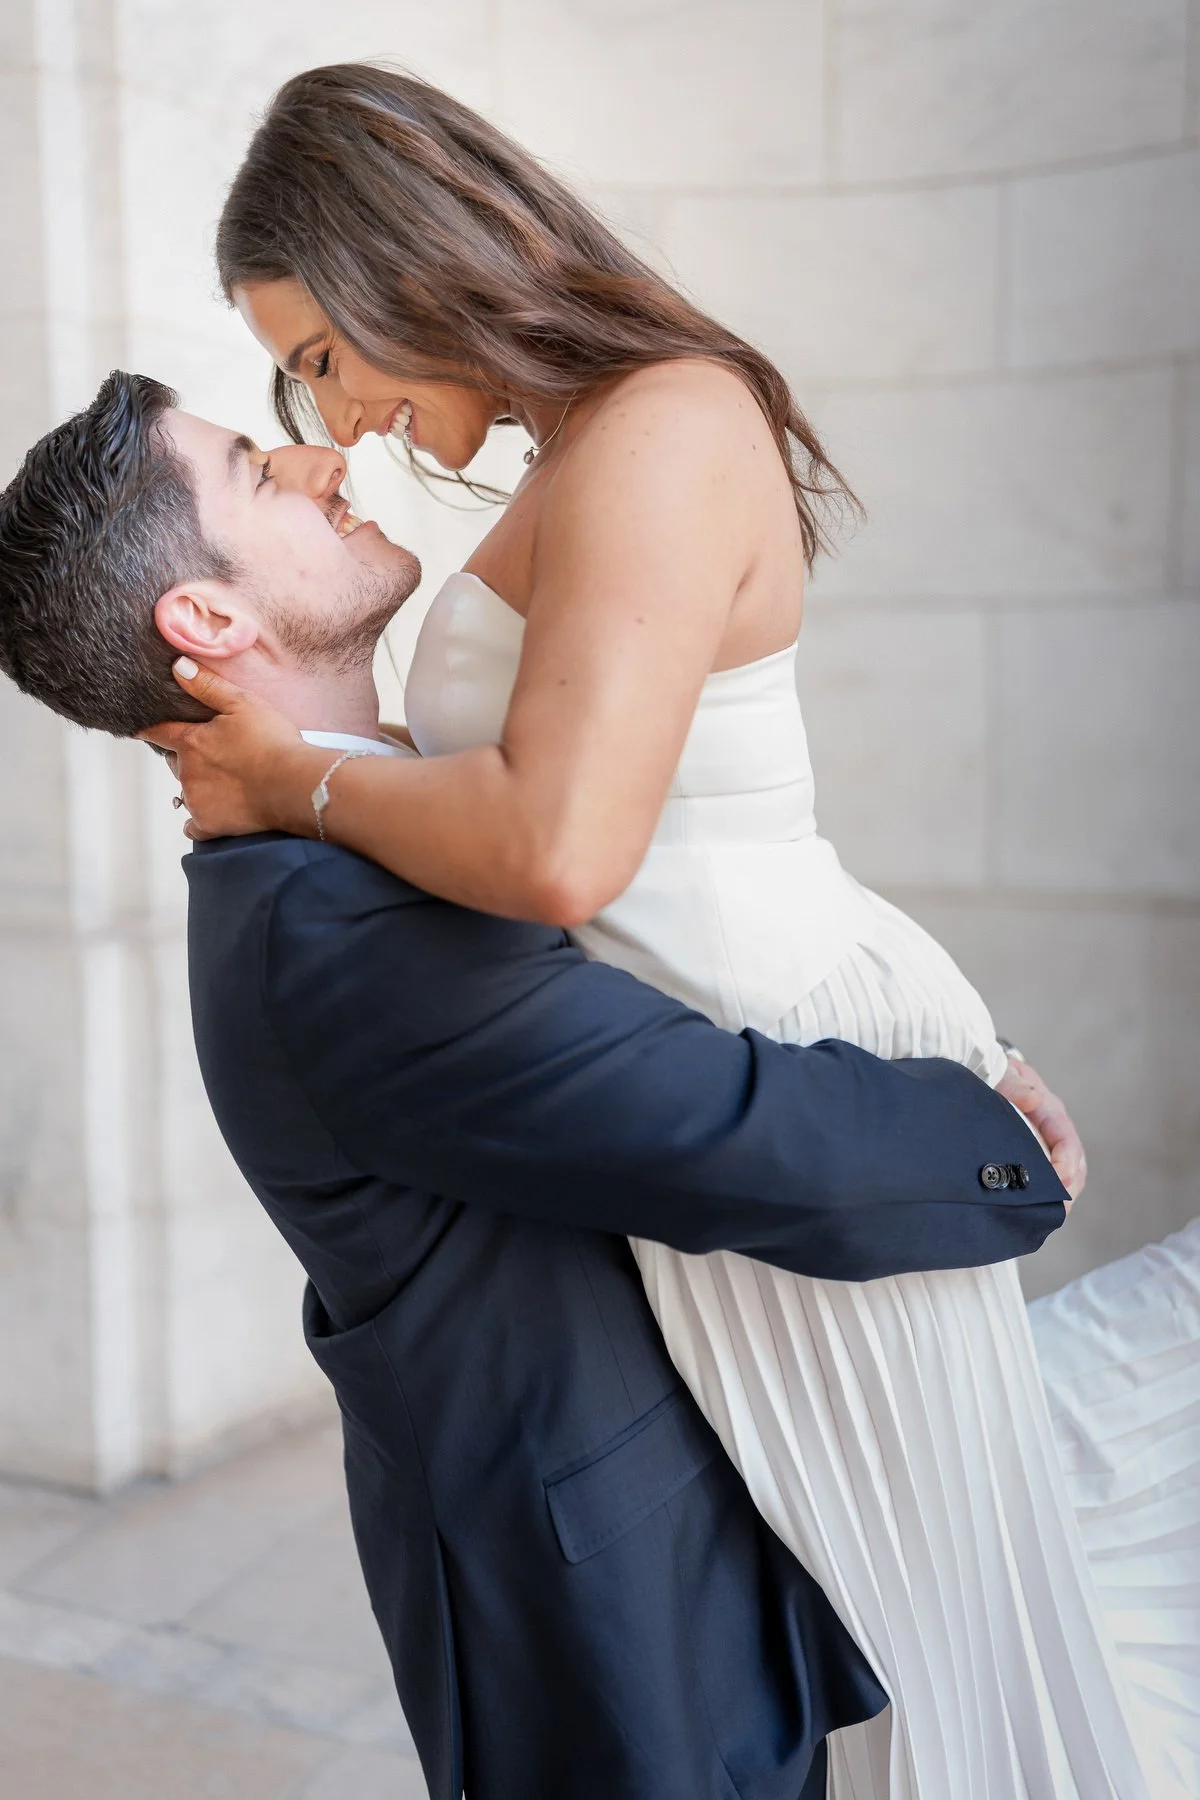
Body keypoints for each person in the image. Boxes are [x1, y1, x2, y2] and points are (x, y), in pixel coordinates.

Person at [146, 64, 1199, 1799]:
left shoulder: (668, 420)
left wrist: (292, 780)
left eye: (319, 357)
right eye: (293, 387)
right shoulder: (585, 448)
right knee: (903, 1586)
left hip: (780, 1032)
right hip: (705, 1055)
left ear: (402, 258)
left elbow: (559, 848)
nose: (331, 421)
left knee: (966, 1610)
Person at [0, 373, 1080, 1800]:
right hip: (609, 1618)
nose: (326, 462)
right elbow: (722, 1130)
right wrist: (994, 1145)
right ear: (206, 622)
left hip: (660, 1531)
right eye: (262, 473)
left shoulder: (391, 818)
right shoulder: (326, 933)